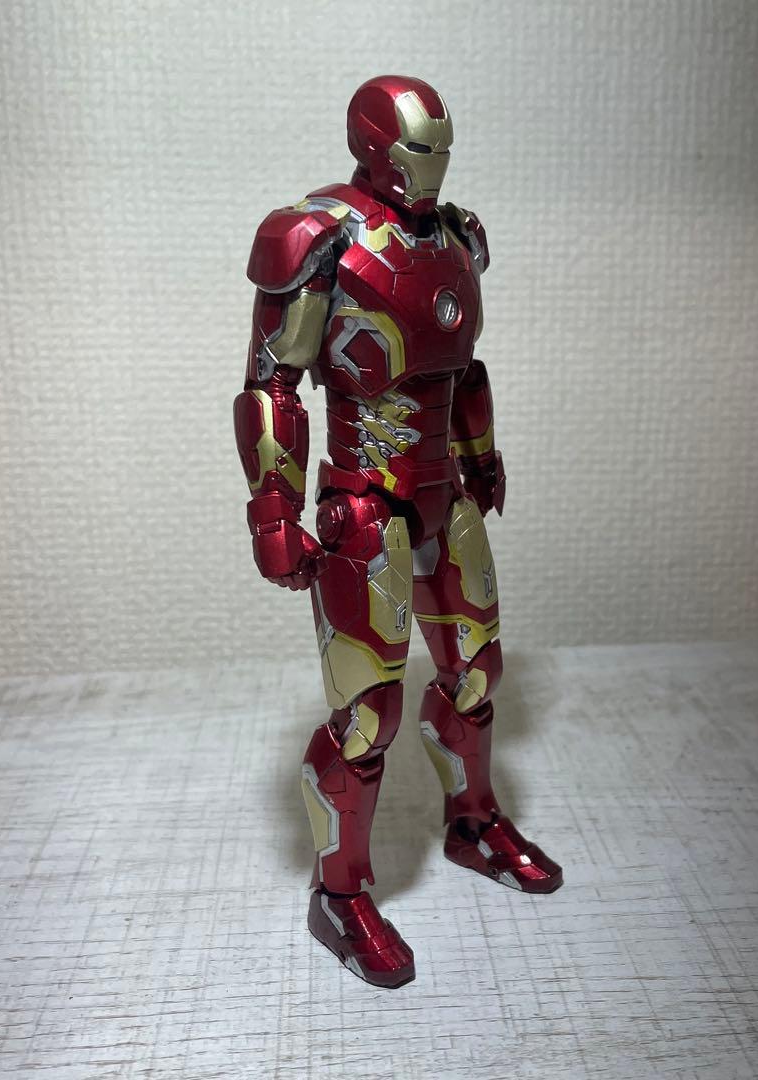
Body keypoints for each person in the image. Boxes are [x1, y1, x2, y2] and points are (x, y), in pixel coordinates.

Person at [234, 75, 561, 988]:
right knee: (365, 716)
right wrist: (272, 514)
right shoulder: (318, 239)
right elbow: (271, 387)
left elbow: (464, 370)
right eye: (421, 152)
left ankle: (472, 823)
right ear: (377, 147)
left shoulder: (456, 236)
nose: (434, 169)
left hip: (444, 489)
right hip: (365, 504)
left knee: (478, 671)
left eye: (442, 153)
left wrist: (482, 454)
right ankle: (339, 894)